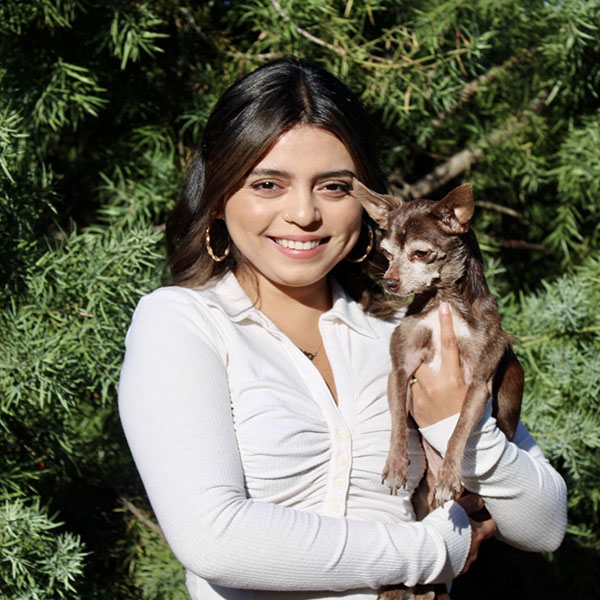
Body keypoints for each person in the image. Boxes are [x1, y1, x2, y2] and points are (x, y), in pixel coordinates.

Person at [118, 58, 567, 600]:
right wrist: (436, 551)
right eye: (268, 183)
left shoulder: (404, 329)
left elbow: (542, 528)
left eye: (333, 187)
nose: (303, 213)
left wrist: (457, 424)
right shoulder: (183, 323)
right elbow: (214, 539)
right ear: (219, 197)